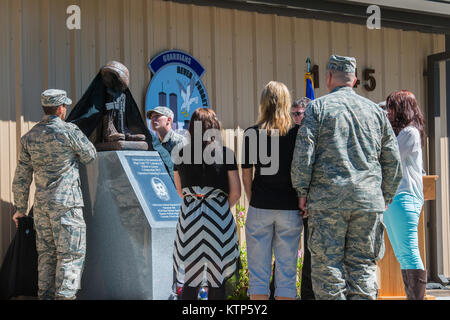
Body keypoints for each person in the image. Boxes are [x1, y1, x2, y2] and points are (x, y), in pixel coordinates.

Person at [291, 55, 402, 300]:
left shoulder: (317, 109)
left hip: (328, 202)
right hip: (367, 202)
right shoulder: (375, 112)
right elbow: (393, 161)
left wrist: (301, 192)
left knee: (328, 269)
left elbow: (303, 156)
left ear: (329, 77)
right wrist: (386, 195)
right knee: (362, 268)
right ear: (353, 80)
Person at [12, 89, 97, 300]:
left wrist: (20, 209)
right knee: (72, 256)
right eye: (65, 106)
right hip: (67, 207)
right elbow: (90, 156)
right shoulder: (69, 131)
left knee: (46, 257)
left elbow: (22, 176)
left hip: (41, 209)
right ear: (60, 109)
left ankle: (45, 297)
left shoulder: (29, 137)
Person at [242, 81, 303, 300]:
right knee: (286, 277)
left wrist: (252, 199)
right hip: (289, 207)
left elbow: (246, 174)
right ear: (286, 103)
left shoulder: (252, 133)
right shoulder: (297, 134)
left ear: (263, 103)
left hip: (260, 205)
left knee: (258, 277)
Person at [172, 108, 241, 300]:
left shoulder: (180, 154)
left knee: (191, 278)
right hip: (218, 216)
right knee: (217, 278)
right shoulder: (225, 154)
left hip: (191, 217)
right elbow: (236, 192)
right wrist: (218, 209)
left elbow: (179, 191)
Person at [384, 90, 427, 300]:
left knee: (409, 252)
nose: (388, 112)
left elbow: (390, 157)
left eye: (391, 107)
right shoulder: (403, 132)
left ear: (402, 109)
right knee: (402, 254)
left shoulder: (409, 133)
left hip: (404, 197)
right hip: (394, 199)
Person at [290, 97, 315, 300]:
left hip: (309, 202)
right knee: (286, 254)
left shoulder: (314, 136)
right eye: (294, 114)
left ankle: (308, 295)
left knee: (310, 253)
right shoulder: (290, 135)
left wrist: (304, 197)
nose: (296, 118)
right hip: (290, 202)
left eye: (299, 114)